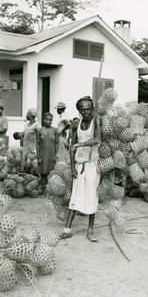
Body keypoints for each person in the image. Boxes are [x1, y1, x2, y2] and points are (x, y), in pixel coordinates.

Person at [59, 96, 101, 242]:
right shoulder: (76, 124)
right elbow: (71, 147)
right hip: (78, 165)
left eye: (88, 109)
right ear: (79, 111)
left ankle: (90, 230)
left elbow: (97, 139)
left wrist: (81, 145)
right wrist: (72, 168)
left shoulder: (96, 120)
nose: (86, 112)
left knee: (91, 196)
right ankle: (67, 229)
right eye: (82, 110)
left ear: (92, 108)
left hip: (91, 165)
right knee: (75, 198)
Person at [36, 112, 59, 197]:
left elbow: (57, 143)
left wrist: (56, 154)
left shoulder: (55, 130)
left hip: (51, 154)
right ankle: (43, 191)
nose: (48, 121)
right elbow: (37, 144)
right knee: (43, 173)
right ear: (43, 120)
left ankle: (50, 192)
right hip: (42, 154)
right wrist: (38, 156)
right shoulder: (39, 131)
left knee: (51, 173)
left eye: (50, 120)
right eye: (46, 119)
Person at [20, 108, 41, 173]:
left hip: (33, 147)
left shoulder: (37, 125)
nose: (26, 115)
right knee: (24, 162)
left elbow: (39, 136)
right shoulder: (26, 124)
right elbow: (25, 134)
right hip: (26, 146)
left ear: (31, 115)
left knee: (32, 163)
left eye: (27, 114)